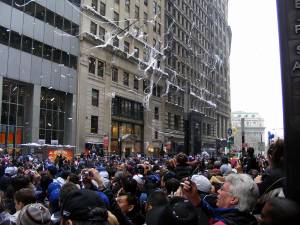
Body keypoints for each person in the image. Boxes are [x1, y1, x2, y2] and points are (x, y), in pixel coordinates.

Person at [179, 173, 259, 225]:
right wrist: (194, 197)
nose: (218, 191)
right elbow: (212, 212)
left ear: (233, 200)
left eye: (222, 189)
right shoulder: (250, 219)